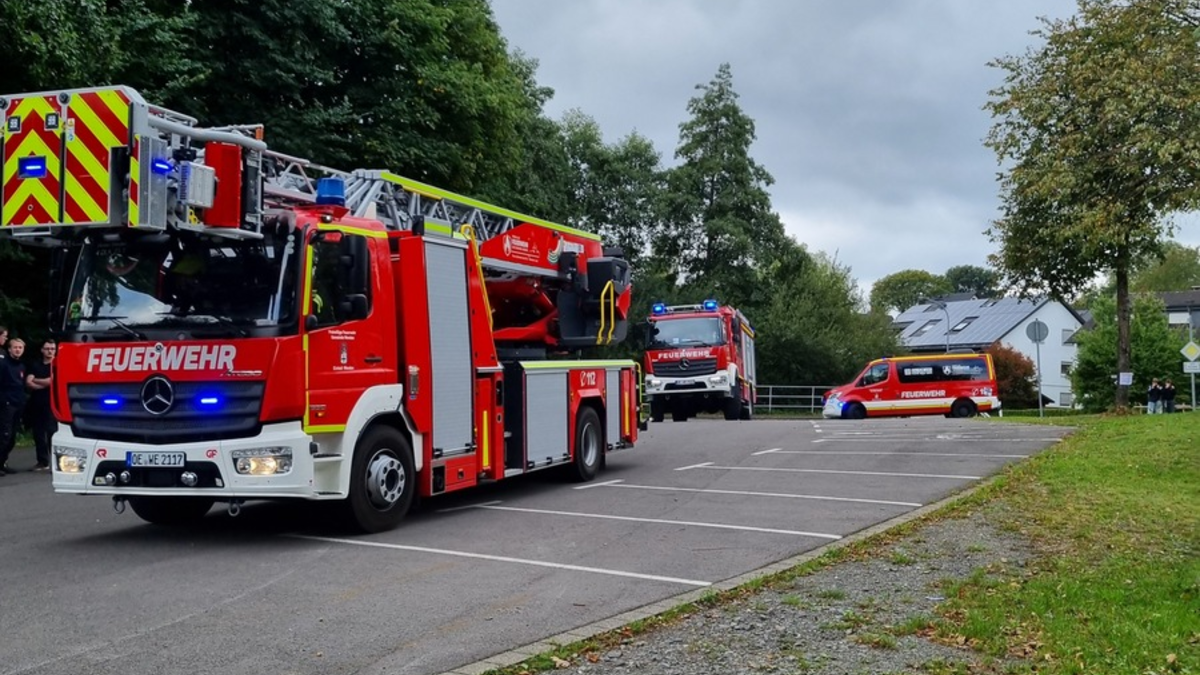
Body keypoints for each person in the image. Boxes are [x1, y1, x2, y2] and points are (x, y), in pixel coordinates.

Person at [24, 340, 56, 471]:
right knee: (38, 433)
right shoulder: (35, 364)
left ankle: (54, 462)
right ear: (42, 350)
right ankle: (42, 461)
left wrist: (36, 381)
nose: (50, 351)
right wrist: (41, 382)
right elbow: (28, 382)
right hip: (36, 403)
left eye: (53, 349)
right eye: (47, 348)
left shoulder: (57, 364)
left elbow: (51, 381)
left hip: (52, 403)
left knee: (51, 433)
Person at [0, 338, 27, 474]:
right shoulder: (3, 364)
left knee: (12, 437)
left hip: (19, 403)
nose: (18, 350)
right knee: (4, 435)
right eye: (15, 347)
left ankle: (2, 462)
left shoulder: (21, 366)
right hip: (7, 404)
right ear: (9, 349)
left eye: (20, 348)